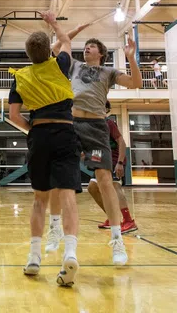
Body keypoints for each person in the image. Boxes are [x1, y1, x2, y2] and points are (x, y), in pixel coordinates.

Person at [48, 23, 141, 265]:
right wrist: (63, 28)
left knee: (104, 180)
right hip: (71, 124)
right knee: (61, 176)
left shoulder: (108, 72)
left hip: (96, 128)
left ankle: (117, 238)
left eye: (91, 47)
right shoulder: (75, 66)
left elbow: (135, 83)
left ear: (100, 52)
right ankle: (56, 227)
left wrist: (130, 58)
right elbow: (56, 46)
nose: (86, 49)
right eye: (85, 47)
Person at [8, 11, 81, 287]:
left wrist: (34, 130)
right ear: (48, 52)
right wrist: (53, 22)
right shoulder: (60, 64)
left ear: (28, 55)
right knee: (68, 197)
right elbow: (65, 41)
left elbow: (14, 116)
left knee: (40, 199)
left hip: (39, 135)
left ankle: (34, 256)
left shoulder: (21, 77)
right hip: (65, 131)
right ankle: (70, 252)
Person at [89, 101, 137, 233]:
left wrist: (120, 163)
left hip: (114, 159)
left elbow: (121, 142)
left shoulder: (108, 123)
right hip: (103, 161)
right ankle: (112, 217)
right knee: (92, 188)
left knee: (115, 186)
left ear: (106, 109)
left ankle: (128, 221)